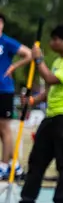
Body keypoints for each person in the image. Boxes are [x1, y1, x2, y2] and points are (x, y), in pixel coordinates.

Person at [19, 24, 63, 203]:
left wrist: (38, 59)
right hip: (51, 116)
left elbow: (50, 79)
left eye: (55, 39)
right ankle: (27, 201)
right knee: (37, 160)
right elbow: (49, 91)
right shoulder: (58, 61)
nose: (51, 43)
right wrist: (32, 100)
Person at [0, 13, 32, 180]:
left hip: (4, 89)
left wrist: (14, 66)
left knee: (4, 128)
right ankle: (16, 165)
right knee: (1, 130)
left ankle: (4, 165)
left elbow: (29, 54)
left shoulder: (6, 42)